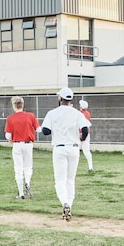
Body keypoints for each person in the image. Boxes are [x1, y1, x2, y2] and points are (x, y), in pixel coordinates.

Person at [41, 87, 90, 220]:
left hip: (60, 148)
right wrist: (81, 139)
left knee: (60, 180)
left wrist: (57, 130)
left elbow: (45, 130)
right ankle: (70, 206)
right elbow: (85, 130)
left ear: (60, 98)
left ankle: (65, 203)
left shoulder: (52, 113)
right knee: (70, 180)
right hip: (74, 147)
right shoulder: (77, 114)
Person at [4, 96, 42, 200]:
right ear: (22, 105)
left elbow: (7, 135)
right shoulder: (30, 116)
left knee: (18, 168)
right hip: (28, 143)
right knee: (28, 166)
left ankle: (21, 193)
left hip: (17, 144)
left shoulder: (10, 118)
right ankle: (27, 182)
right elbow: (39, 129)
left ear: (14, 106)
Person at [78, 99, 94, 172]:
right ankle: (90, 167)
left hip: (80, 132)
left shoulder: (80, 113)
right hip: (88, 133)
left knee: (75, 150)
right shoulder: (88, 113)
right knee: (86, 151)